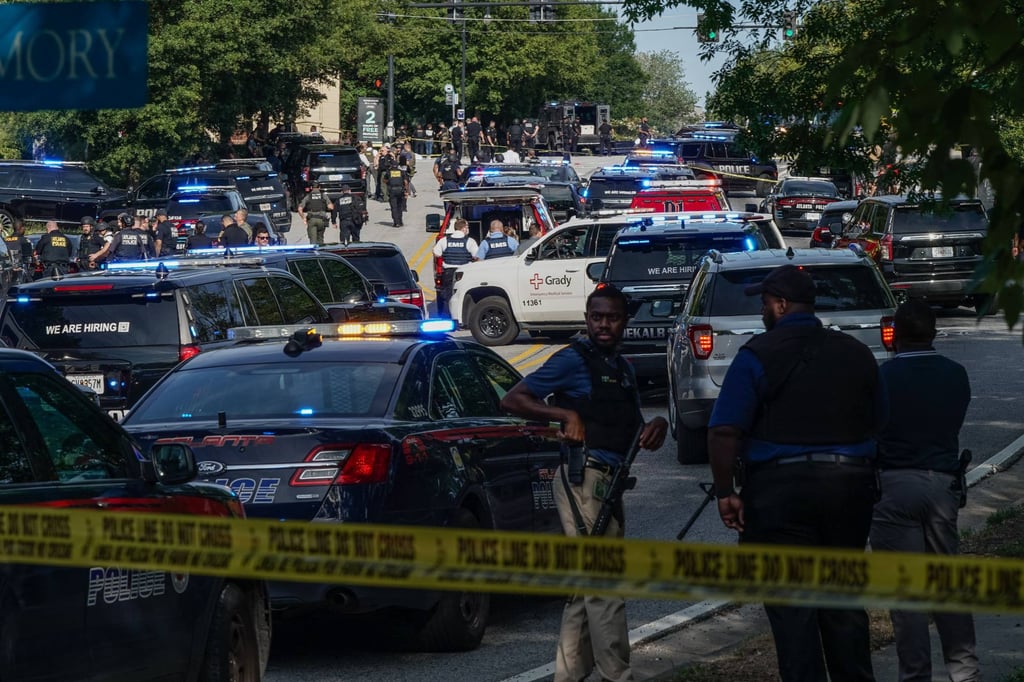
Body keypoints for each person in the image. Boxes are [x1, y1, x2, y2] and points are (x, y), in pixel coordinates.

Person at [707, 264, 883, 682]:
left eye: (766, 303)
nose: (764, 311)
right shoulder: (855, 352)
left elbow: (724, 429)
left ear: (782, 305)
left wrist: (725, 492)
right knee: (843, 606)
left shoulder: (757, 354)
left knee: (793, 616)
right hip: (848, 490)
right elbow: (881, 421)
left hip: (779, 496)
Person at [500, 286, 667, 682]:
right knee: (605, 582)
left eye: (611, 317)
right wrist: (562, 414)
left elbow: (627, 424)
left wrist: (655, 427)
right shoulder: (573, 360)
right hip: (583, 477)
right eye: (596, 317)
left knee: (586, 588)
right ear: (587, 318)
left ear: (625, 320)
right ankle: (617, 676)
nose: (603, 324)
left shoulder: (620, 367)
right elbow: (513, 399)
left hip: (610, 480)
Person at [870, 300, 980, 682]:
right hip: (941, 484)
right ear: (934, 333)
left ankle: (915, 675)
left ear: (894, 335)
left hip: (893, 485)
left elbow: (869, 432)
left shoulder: (881, 380)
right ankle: (964, 670)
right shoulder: (956, 374)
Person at [432, 219, 478, 318]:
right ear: (464, 228)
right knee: (464, 295)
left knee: (448, 295)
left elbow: (436, 252)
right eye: (467, 227)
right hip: (464, 272)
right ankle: (463, 317)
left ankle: (448, 317)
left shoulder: (445, 240)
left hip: (448, 272)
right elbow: (476, 256)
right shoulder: (470, 241)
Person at [298, 180, 333, 245]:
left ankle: (314, 253)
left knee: (313, 242)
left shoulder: (308, 196)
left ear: (311, 188)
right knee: (320, 239)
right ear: (319, 187)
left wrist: (304, 218)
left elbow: (300, 209)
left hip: (312, 220)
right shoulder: (323, 196)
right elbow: (331, 207)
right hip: (322, 220)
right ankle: (321, 252)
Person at [385, 161, 409, 227]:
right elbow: (406, 182)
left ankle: (396, 222)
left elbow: (385, 180)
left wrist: (389, 183)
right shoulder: (401, 172)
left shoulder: (388, 172)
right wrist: (406, 191)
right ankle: (400, 221)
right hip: (400, 190)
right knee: (399, 207)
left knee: (394, 207)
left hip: (392, 190)